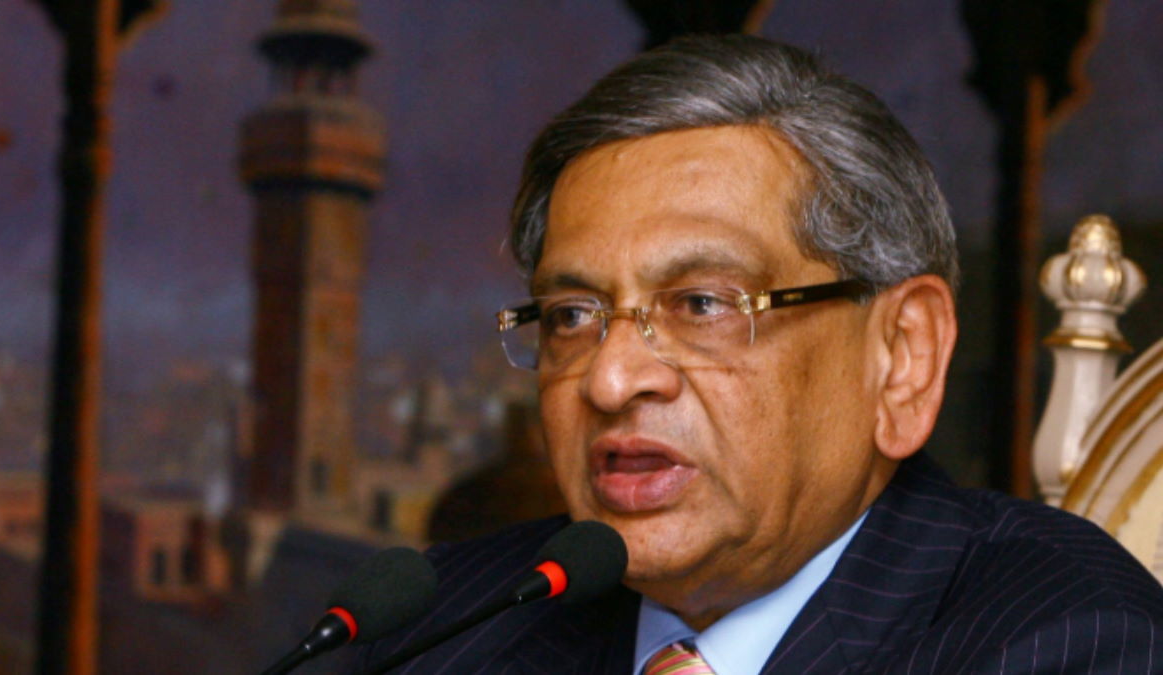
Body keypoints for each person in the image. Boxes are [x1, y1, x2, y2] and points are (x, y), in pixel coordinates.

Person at [355, 34, 1163, 674]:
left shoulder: (1067, 639)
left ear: (902, 357)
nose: (610, 377)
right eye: (572, 315)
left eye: (702, 304)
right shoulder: (440, 628)